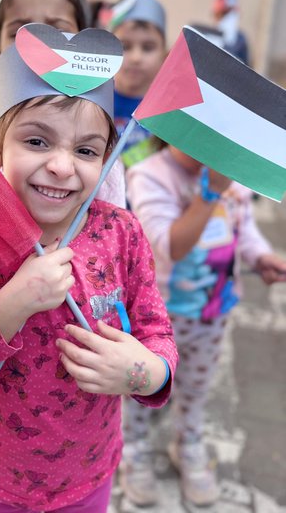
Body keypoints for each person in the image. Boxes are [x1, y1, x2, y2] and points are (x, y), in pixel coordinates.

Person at [0, 25, 178, 512]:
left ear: (107, 159)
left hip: (91, 474)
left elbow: (157, 332)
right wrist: (10, 305)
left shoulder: (122, 233)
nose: (62, 166)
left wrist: (145, 372)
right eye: (37, 141)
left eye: (85, 150)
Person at [0, 0, 127, 448]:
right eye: (21, 32)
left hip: (83, 423)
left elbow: (113, 255)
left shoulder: (112, 208)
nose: (59, 167)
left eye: (56, 29)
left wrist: (140, 367)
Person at [120, 143, 286, 507]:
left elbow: (243, 230)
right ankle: (133, 449)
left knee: (196, 387)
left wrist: (261, 257)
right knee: (138, 388)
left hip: (214, 312)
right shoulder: (149, 174)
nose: (214, 147)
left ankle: (189, 443)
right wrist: (210, 191)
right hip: (157, 319)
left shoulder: (231, 175)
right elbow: (169, 246)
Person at [107, 0, 168, 169]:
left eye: (148, 48)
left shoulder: (169, 112)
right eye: (125, 46)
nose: (136, 58)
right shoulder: (93, 103)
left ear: (164, 55)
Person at [212, 0, 251, 66]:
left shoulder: (241, 39)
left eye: (232, 13)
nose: (229, 18)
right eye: (224, 14)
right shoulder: (207, 36)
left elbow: (246, 69)